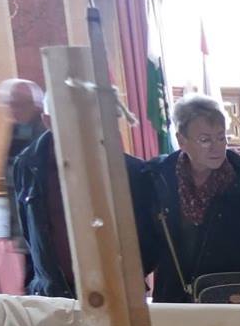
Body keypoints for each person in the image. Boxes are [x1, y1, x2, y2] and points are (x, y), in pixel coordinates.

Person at [11, 110, 162, 299]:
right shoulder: (27, 165)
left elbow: (149, 238)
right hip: (55, 295)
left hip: (119, 293)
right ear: (48, 121)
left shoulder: (131, 170)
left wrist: (126, 275)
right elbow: (29, 233)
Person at [142, 93, 240, 302]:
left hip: (232, 293)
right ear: (182, 140)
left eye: (221, 137)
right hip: (174, 294)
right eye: (205, 140)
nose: (216, 147)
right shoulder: (158, 177)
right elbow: (147, 238)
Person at [0, 79, 46, 247]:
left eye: (20, 104)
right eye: (11, 104)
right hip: (22, 211)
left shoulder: (45, 130)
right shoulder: (17, 128)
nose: (14, 110)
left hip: (42, 216)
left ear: (35, 104)